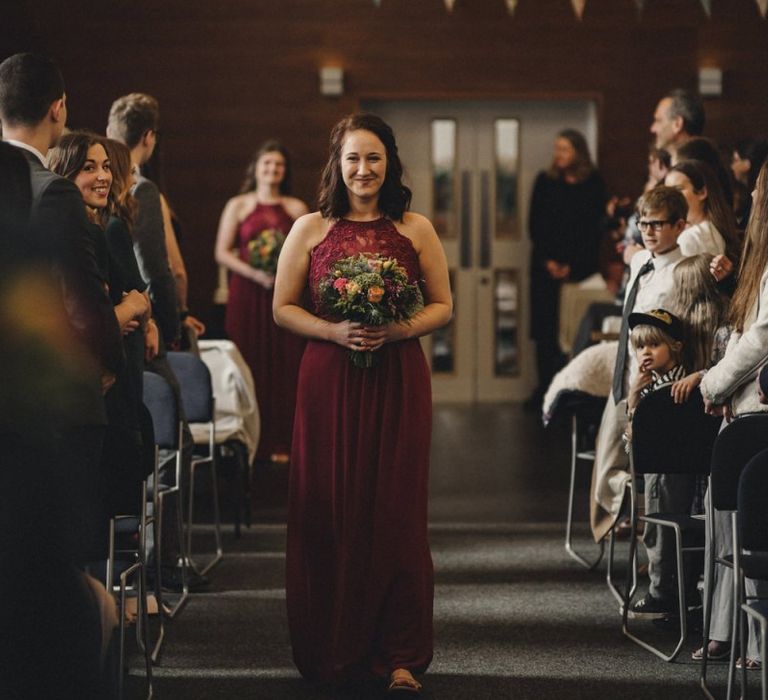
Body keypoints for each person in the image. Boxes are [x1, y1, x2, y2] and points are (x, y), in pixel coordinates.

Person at [273, 113, 452, 693]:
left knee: (395, 512)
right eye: (353, 158)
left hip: (397, 378)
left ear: (390, 163)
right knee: (331, 509)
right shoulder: (309, 228)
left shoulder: (416, 227)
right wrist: (333, 331)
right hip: (328, 382)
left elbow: (442, 305)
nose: (363, 169)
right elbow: (284, 306)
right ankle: (334, 646)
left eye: (374, 158)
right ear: (338, 164)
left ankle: (400, 653)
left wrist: (398, 330)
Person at [697, 160, 768, 669]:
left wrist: (714, 381)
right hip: (743, 402)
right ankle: (724, 628)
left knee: (743, 526)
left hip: (753, 410)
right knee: (726, 522)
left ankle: (752, 640)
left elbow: (761, 339)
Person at [590, 187, 687, 546]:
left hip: (657, 380)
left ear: (679, 226)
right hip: (628, 377)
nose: (647, 231)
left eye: (657, 224)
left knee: (654, 475)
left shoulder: (682, 271)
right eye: (642, 223)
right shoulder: (641, 262)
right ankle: (625, 523)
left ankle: (655, 554)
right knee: (613, 459)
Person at [215, 140, 309, 463]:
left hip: (284, 295)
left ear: (285, 172)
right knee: (248, 362)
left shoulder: (296, 208)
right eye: (267, 163)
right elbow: (222, 252)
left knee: (286, 364)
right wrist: (256, 274)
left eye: (278, 165)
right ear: (256, 168)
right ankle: (248, 441)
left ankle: (283, 441)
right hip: (248, 296)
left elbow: (308, 253)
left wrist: (282, 275)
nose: (272, 170)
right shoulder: (238, 205)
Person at [526, 128, 607, 409]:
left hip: (580, 270)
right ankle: (544, 390)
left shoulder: (593, 184)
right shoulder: (545, 182)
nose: (558, 155)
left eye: (565, 149)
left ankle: (569, 391)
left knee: (573, 331)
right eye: (557, 149)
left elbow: (593, 231)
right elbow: (535, 225)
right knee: (545, 332)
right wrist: (550, 262)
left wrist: (571, 266)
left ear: (578, 153)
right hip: (544, 268)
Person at [664, 159, 741, 269]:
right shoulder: (716, 228)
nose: (669, 197)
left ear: (702, 193)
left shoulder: (689, 238)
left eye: (678, 189)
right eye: (667, 191)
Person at [650, 88, 705, 160]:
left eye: (659, 120)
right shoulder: (702, 165)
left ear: (677, 124)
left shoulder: (690, 170)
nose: (652, 129)